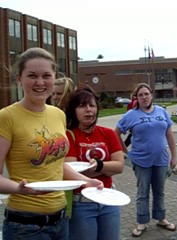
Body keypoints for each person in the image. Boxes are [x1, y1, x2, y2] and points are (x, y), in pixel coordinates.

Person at [0, 47, 103, 240]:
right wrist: (19, 189)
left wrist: (86, 182)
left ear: (53, 77)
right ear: (19, 79)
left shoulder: (58, 114)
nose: (40, 82)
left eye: (46, 75)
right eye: (32, 75)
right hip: (25, 225)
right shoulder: (7, 117)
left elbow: (58, 164)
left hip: (61, 219)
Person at [114, 83, 177, 237]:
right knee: (143, 192)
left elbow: (169, 135)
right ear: (136, 98)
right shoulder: (131, 115)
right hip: (141, 160)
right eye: (140, 95)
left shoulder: (161, 112)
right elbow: (115, 133)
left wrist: (174, 157)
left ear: (151, 95)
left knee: (159, 191)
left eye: (146, 94)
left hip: (161, 159)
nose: (144, 97)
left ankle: (161, 218)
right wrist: (125, 151)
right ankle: (142, 222)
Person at [65, 86, 124, 240]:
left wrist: (98, 166)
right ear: (74, 110)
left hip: (109, 200)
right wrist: (107, 168)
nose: (88, 110)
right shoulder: (68, 136)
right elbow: (72, 172)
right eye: (82, 106)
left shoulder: (108, 133)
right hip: (82, 204)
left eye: (92, 105)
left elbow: (120, 166)